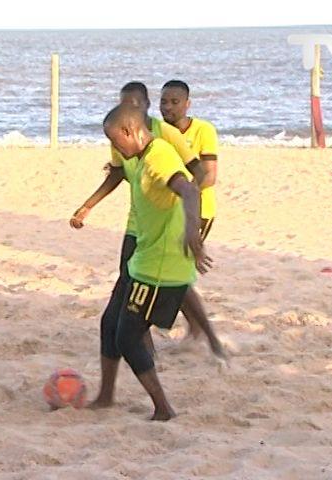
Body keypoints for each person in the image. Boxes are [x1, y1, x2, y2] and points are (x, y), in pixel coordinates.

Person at [69, 81, 213, 357]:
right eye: (123, 104)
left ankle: (205, 337)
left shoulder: (164, 139)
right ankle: (151, 346)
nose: (128, 108)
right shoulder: (119, 135)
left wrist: (184, 217)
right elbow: (117, 173)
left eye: (133, 104)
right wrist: (88, 206)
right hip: (139, 226)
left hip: (171, 224)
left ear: (145, 106)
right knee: (141, 290)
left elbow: (199, 177)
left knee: (169, 285)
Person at [90, 104, 211, 421]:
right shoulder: (140, 158)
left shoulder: (159, 155)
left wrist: (192, 233)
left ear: (131, 131)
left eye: (116, 141)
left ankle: (163, 409)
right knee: (109, 325)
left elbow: (189, 190)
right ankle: (105, 396)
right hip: (141, 259)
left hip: (159, 266)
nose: (116, 149)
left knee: (128, 337)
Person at [159, 80, 225, 357]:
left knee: (177, 274)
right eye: (164, 101)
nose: (168, 107)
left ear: (187, 104)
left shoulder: (203, 130)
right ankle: (197, 329)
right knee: (173, 273)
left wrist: (187, 194)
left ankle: (207, 334)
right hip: (166, 212)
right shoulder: (159, 132)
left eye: (175, 102)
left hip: (198, 211)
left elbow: (209, 175)